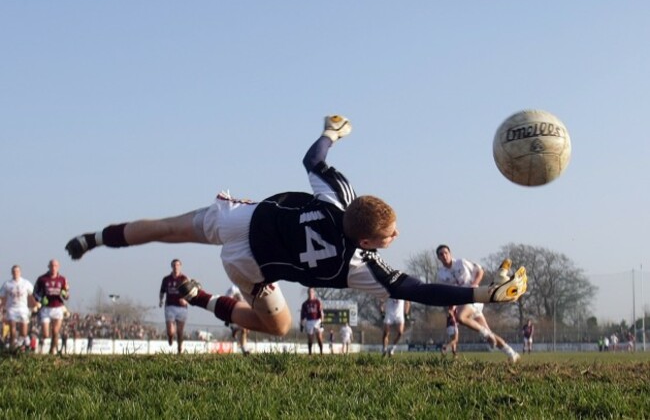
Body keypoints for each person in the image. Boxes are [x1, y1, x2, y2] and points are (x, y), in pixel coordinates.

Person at [65, 116, 527, 338]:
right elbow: (422, 290)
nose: (396, 237)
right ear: (366, 240)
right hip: (248, 264)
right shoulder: (359, 264)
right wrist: (483, 295)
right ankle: (204, 298)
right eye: (390, 235)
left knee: (166, 227)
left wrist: (332, 132)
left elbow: (312, 160)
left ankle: (96, 238)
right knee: (279, 326)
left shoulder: (339, 197)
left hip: (238, 216)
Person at [435, 245, 521, 363]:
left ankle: (486, 334)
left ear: (450, 253)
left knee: (461, 317)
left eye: (445, 252)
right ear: (438, 258)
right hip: (462, 304)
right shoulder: (441, 274)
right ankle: (512, 353)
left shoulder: (461, 263)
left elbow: (480, 270)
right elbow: (445, 293)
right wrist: (450, 308)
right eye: (441, 254)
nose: (444, 255)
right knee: (489, 333)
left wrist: (475, 283)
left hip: (473, 297)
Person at [33, 259, 70, 354]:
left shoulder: (63, 279)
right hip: (46, 308)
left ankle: (52, 350)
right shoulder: (42, 279)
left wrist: (65, 294)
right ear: (48, 266)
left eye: (55, 266)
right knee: (46, 334)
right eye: (52, 266)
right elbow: (35, 292)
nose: (53, 268)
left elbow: (67, 295)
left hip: (58, 307)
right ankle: (42, 343)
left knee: (55, 332)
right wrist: (40, 299)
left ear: (58, 267)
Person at [0, 265, 37, 351]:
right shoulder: (7, 284)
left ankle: (22, 342)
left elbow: (33, 294)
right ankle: (12, 348)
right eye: (14, 271)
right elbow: (1, 297)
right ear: (11, 273)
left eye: (17, 271)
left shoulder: (26, 283)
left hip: (23, 309)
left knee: (23, 333)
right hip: (12, 309)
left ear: (20, 272)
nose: (15, 273)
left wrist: (36, 304)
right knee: (12, 328)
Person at [159, 258, 189, 354]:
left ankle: (179, 347)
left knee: (180, 332)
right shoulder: (166, 279)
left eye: (177, 265)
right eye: (174, 265)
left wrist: (186, 300)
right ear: (171, 267)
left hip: (182, 308)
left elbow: (191, 293)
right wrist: (161, 300)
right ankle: (170, 337)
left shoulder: (184, 279)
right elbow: (162, 291)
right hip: (170, 306)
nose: (176, 267)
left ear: (180, 266)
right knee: (170, 331)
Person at [225, 284, 250, 355]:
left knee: (245, 331)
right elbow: (226, 301)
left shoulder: (250, 288)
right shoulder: (234, 289)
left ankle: (244, 349)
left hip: (245, 312)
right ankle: (245, 350)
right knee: (244, 329)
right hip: (234, 312)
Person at [300, 287, 324, 355]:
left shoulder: (317, 302)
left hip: (317, 320)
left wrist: (322, 322)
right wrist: (301, 325)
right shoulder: (305, 304)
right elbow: (302, 315)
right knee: (310, 338)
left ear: (314, 293)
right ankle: (310, 353)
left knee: (319, 337)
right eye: (309, 292)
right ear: (308, 293)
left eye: (312, 292)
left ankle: (321, 352)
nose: (310, 293)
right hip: (309, 321)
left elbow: (321, 312)